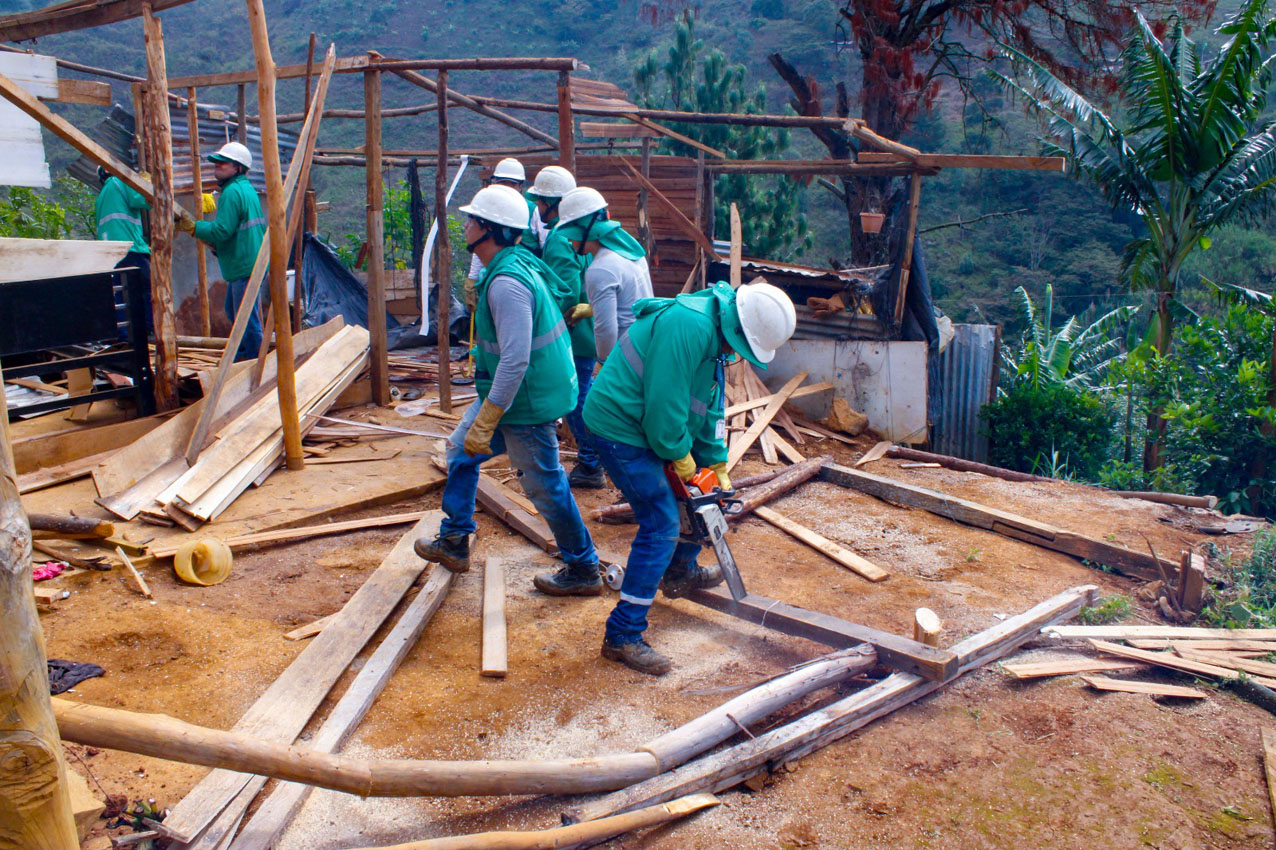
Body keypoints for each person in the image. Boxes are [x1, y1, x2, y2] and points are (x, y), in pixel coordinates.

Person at [565, 280, 797, 675]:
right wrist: (684, 462)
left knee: (702, 500)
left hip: (650, 424)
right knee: (662, 521)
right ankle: (623, 635)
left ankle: (679, 571)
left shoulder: (714, 338)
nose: (734, 355)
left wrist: (716, 466)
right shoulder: (688, 327)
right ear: (736, 329)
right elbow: (664, 413)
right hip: (618, 426)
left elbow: (706, 408)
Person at [415, 184, 602, 592]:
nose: (464, 225)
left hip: (525, 401)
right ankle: (455, 540)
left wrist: (489, 417)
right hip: (510, 395)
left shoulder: (506, 285)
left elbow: (515, 360)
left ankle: (585, 568)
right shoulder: (510, 263)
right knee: (460, 455)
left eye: (471, 219)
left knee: (545, 486)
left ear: (489, 229)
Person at [529, 166, 604, 490]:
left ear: (550, 202)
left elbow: (565, 292)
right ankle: (593, 460)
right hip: (585, 333)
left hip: (572, 335)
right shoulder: (577, 234)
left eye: (539, 201)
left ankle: (592, 462)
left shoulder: (560, 238)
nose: (536, 207)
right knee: (579, 395)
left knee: (574, 399)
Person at [175, 141, 266, 362]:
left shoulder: (232, 193)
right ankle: (245, 357)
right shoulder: (246, 190)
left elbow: (222, 230)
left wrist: (193, 227)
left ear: (238, 168)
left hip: (243, 265)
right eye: (217, 163)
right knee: (234, 312)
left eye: (223, 163)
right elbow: (238, 231)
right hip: (249, 261)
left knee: (245, 318)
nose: (217, 167)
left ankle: (255, 363)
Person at [553, 186, 654, 363]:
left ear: (584, 229)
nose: (569, 241)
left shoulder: (600, 269)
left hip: (625, 359)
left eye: (571, 234)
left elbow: (606, 330)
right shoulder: (629, 251)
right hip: (646, 349)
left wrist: (603, 364)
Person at [463, 158, 543, 297]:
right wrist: (473, 278)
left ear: (520, 186)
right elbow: (481, 244)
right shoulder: (489, 209)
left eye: (511, 184)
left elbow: (546, 245)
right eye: (502, 183)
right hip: (496, 272)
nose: (506, 187)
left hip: (527, 276)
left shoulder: (533, 211)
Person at [94, 165, 153, 338]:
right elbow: (147, 200)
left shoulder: (102, 196)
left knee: (120, 295)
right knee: (145, 290)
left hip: (110, 254)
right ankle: (148, 332)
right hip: (130, 249)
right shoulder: (120, 181)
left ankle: (124, 338)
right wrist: (144, 183)